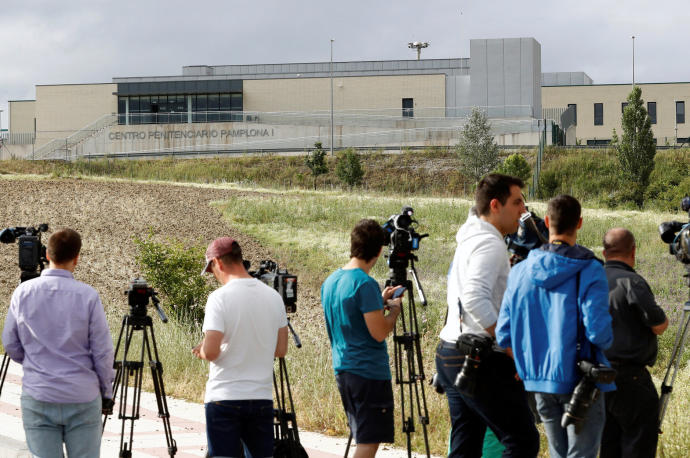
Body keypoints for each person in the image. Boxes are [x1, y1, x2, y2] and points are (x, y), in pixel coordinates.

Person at [497, 194, 614, 458]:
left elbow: (504, 334)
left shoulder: (519, 271)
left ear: (547, 222)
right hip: (581, 379)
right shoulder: (590, 269)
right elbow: (598, 332)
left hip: (538, 380)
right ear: (580, 223)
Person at [435, 173, 539, 458]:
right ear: (495, 205)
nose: (523, 210)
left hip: (451, 351)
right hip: (480, 355)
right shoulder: (489, 243)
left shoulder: (471, 237)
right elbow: (473, 296)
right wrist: (507, 343)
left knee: (466, 445)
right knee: (522, 441)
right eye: (517, 202)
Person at [2, 228, 114, 457]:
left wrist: (35, 362)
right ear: (77, 258)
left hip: (39, 395)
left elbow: (10, 344)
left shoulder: (23, 293)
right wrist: (106, 392)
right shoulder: (88, 296)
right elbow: (101, 351)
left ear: (47, 255)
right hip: (82, 395)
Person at [193, 237, 288, 458]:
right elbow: (280, 350)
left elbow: (213, 351)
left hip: (224, 397)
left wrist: (203, 350)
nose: (214, 275)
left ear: (218, 262)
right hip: (261, 397)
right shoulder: (274, 297)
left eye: (211, 269)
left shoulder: (219, 298)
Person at [321, 219, 403, 458]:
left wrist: (378, 300)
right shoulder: (364, 283)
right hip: (368, 371)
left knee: (363, 436)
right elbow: (378, 332)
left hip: (344, 367)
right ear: (379, 250)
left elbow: (353, 315)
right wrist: (394, 311)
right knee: (369, 441)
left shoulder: (332, 281)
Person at [599, 228, 669, 458]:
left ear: (604, 252)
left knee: (608, 443)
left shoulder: (592, 280)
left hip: (596, 376)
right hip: (630, 378)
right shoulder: (632, 282)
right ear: (633, 251)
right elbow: (659, 325)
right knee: (638, 443)